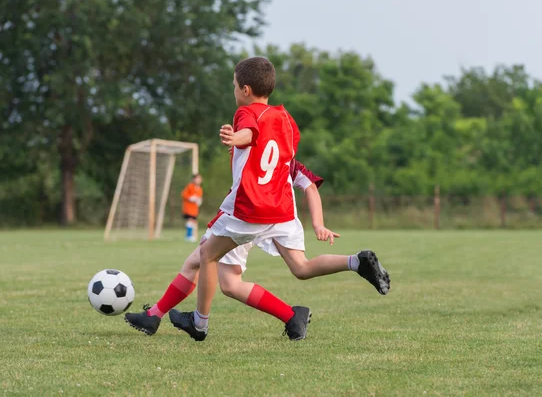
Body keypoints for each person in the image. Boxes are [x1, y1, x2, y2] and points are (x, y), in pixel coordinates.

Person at [166, 57, 390, 342]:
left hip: (252, 208)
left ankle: (199, 323)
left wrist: (237, 138)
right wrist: (318, 224)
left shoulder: (246, 112)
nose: (233, 90)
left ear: (245, 89)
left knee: (207, 256)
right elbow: (292, 163)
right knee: (301, 267)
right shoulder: (285, 118)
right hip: (281, 209)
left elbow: (251, 132)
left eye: (234, 85)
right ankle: (356, 262)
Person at [125, 158, 364, 338]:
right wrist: (318, 223)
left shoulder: (262, 141)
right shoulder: (284, 155)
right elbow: (309, 186)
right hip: (260, 218)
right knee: (229, 282)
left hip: (241, 218)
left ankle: (187, 321)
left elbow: (301, 184)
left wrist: (239, 139)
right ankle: (292, 316)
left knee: (204, 264)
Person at [181, 173, 203, 242]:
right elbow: (184, 194)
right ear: (193, 179)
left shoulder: (200, 189)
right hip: (188, 208)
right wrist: (190, 198)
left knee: (193, 222)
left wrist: (199, 201)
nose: (199, 180)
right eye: (197, 178)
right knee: (190, 221)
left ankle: (191, 235)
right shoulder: (190, 186)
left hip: (194, 209)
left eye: (200, 179)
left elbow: (199, 197)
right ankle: (188, 236)